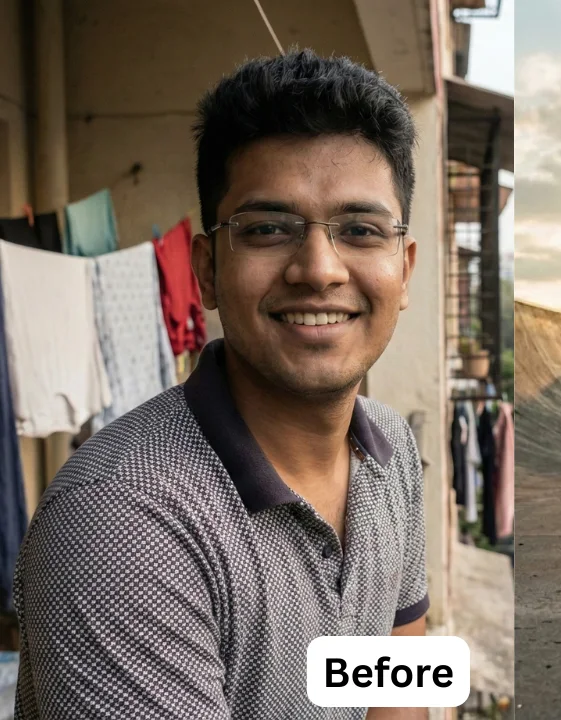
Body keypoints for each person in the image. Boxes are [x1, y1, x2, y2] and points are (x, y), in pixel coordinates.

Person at [13, 50, 428, 718]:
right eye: (267, 229)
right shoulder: (124, 522)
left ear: (403, 271)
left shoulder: (391, 452)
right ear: (206, 271)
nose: (318, 269)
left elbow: (392, 679)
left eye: (359, 230)